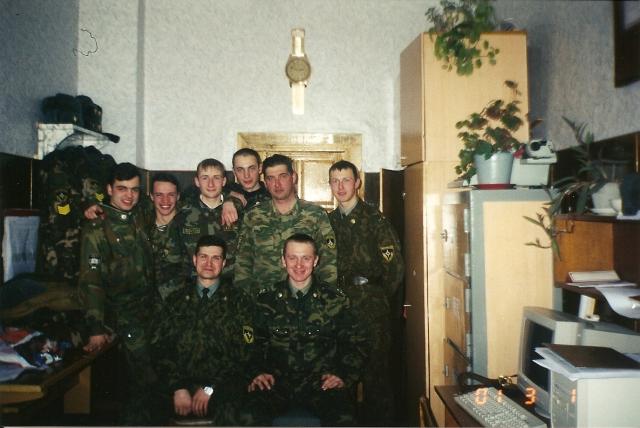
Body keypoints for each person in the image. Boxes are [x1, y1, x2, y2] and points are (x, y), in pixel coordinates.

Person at [246, 233, 367, 426]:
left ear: (316, 260)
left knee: (345, 419)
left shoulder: (335, 301)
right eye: (292, 258)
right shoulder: (266, 300)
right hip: (276, 384)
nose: (299, 265)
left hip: (321, 384)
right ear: (283, 260)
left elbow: (355, 343)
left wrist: (342, 374)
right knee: (247, 416)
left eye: (306, 258)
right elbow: (252, 344)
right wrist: (258, 371)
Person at [78, 162, 161, 425]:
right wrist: (95, 327)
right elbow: (91, 281)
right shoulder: (97, 227)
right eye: (122, 189)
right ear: (109, 189)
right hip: (121, 315)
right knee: (142, 381)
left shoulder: (139, 214)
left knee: (151, 378)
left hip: (148, 310)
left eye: (134, 190)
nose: (129, 195)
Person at [328, 160, 405, 426]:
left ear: (358, 183)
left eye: (346, 180)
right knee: (341, 374)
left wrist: (378, 299)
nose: (340, 186)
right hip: (339, 307)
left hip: (371, 308)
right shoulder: (327, 223)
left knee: (376, 377)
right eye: (335, 181)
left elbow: (395, 269)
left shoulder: (375, 220)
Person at [150, 235, 256, 425]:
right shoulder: (175, 301)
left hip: (221, 386)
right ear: (194, 260)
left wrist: (210, 387)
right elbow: (159, 348)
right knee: (140, 410)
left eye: (216, 258)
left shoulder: (240, 302)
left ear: (224, 263)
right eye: (203, 257)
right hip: (178, 385)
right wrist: (178, 387)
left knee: (236, 414)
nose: (208, 264)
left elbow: (245, 353)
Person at [234, 154, 337, 295]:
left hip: (304, 297)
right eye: (271, 178)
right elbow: (243, 261)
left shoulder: (315, 214)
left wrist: (324, 297)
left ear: (293, 177)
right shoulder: (253, 216)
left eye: (282, 176)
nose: (277, 184)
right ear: (265, 182)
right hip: (263, 298)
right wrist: (245, 296)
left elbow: (328, 261)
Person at [181, 158, 242, 278]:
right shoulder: (183, 212)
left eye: (216, 178)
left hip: (230, 281)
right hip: (193, 282)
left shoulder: (238, 212)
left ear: (224, 181)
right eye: (205, 178)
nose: (211, 184)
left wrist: (230, 200)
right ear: (197, 181)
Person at [147, 172, 189, 300]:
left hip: (182, 299)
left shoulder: (190, 222)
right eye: (159, 195)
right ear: (151, 196)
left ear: (178, 196)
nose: (165, 201)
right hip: (148, 300)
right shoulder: (142, 223)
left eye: (171, 195)